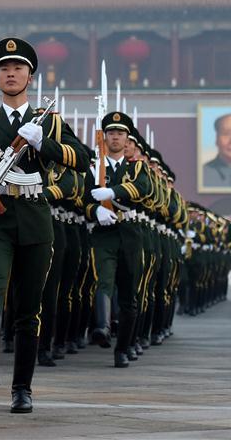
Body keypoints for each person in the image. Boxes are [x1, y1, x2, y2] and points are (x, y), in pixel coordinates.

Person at [0, 37, 90, 413]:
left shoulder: (48, 122)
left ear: (30, 75)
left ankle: (22, 387)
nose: (11, 73)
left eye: (18, 68)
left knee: (29, 305)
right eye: (5, 69)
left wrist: (46, 146)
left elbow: (83, 159)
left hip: (35, 216)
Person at [87, 111, 151, 368]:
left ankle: (122, 348)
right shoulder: (94, 169)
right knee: (103, 280)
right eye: (111, 133)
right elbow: (82, 200)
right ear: (104, 138)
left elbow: (142, 189)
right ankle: (102, 326)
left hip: (130, 233)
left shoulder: (137, 168)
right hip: (103, 234)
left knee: (128, 295)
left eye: (120, 133)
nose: (115, 137)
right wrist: (96, 210)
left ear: (127, 140)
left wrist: (113, 191)